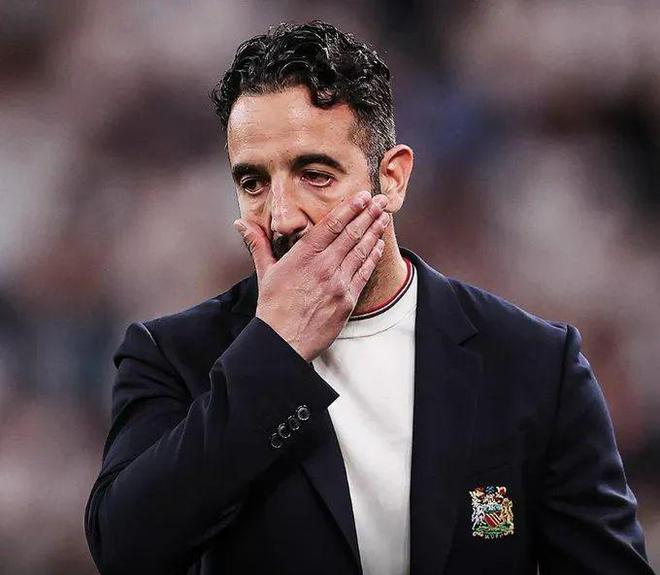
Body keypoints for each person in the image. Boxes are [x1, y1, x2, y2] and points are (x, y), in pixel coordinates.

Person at [84, 20, 655, 575]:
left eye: (315, 174)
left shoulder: (533, 363)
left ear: (394, 178)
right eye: (253, 182)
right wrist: (273, 351)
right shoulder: (173, 355)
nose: (281, 216)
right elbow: (127, 551)